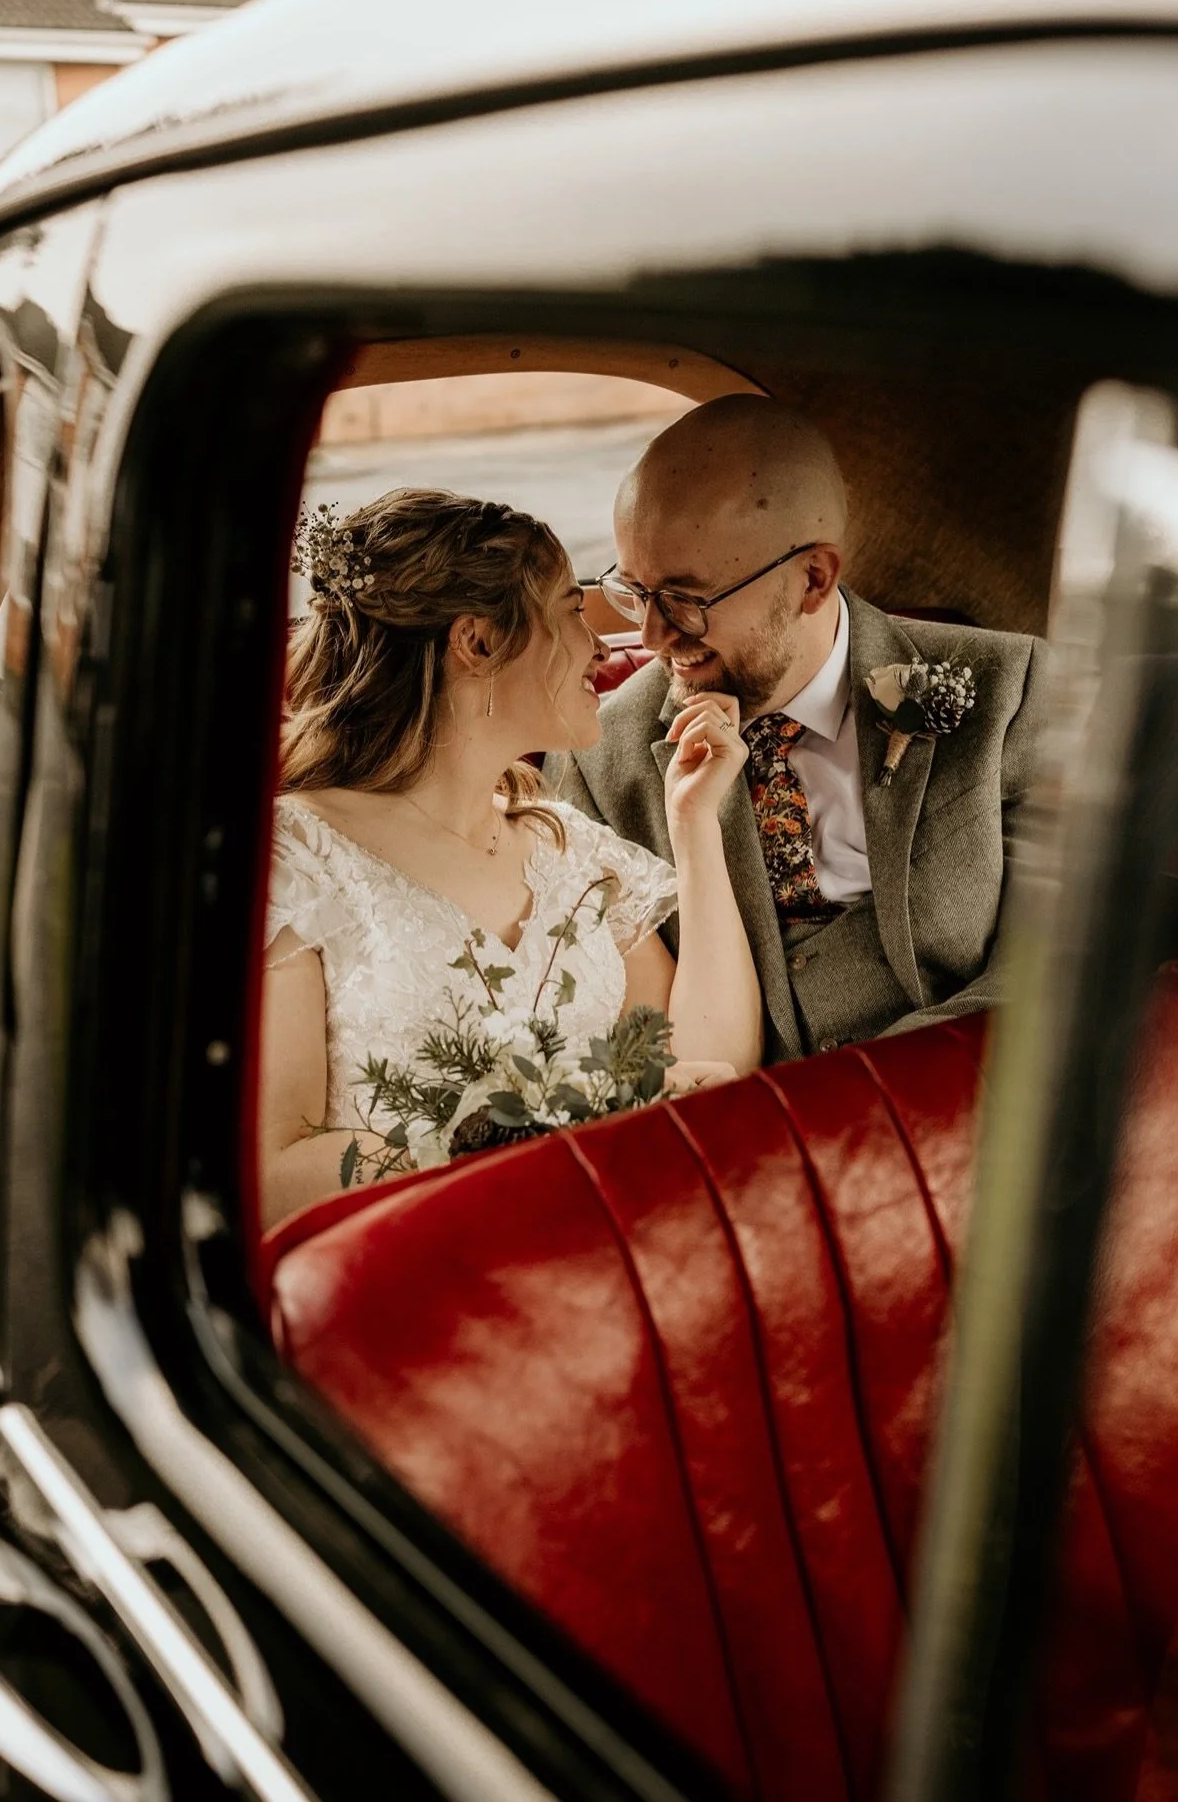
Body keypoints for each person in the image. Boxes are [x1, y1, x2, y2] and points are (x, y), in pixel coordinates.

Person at [259, 488, 762, 1230]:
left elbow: (706, 1060)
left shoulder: (567, 847)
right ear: (479, 642)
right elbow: (274, 1166)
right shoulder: (293, 859)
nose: (601, 646)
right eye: (570, 609)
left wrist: (692, 823)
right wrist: (539, 1141)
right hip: (408, 1262)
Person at [546, 395, 1054, 1063]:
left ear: (813, 578)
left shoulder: (1006, 687)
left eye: (685, 598)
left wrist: (868, 1103)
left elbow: (1054, 962)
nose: (651, 635)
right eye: (633, 590)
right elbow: (628, 1031)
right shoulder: (599, 758)